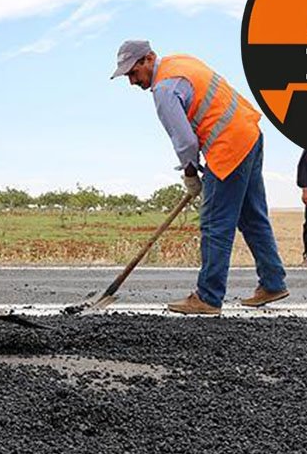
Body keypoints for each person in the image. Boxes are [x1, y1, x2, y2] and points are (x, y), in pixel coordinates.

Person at [110, 40, 289, 315]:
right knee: (253, 217)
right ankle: (273, 283)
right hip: (249, 135)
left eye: (133, 73)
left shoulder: (164, 89)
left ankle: (208, 296)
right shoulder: (180, 61)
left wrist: (190, 174)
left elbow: (184, 141)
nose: (132, 82)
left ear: (148, 59)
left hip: (228, 146)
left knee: (215, 223)